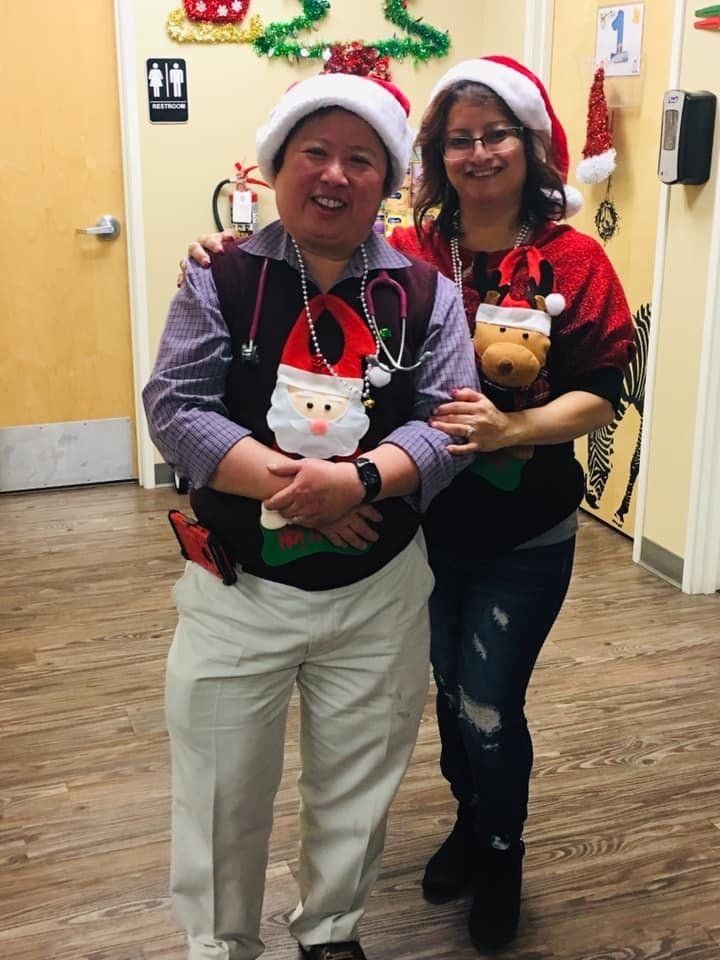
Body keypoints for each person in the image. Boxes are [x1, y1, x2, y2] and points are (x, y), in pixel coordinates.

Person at [183, 57, 636, 952]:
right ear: (433, 156)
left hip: (520, 530)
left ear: (532, 146)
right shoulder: (413, 253)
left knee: (489, 703)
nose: (478, 153)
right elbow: (312, 294)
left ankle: (501, 850)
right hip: (417, 528)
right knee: (442, 693)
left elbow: (602, 392)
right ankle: (470, 824)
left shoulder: (574, 260)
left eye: (496, 134)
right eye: (458, 138)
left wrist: (515, 430)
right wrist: (222, 254)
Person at [143, 72, 478, 960]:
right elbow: (177, 406)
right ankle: (219, 945)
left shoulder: (428, 293)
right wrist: (302, 486)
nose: (334, 175)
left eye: (360, 159)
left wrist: (360, 482)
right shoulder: (222, 276)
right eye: (314, 153)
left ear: (389, 179)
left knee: (358, 785)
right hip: (236, 591)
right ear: (276, 165)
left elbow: (452, 422)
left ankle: (331, 930)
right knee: (221, 790)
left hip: (379, 593)